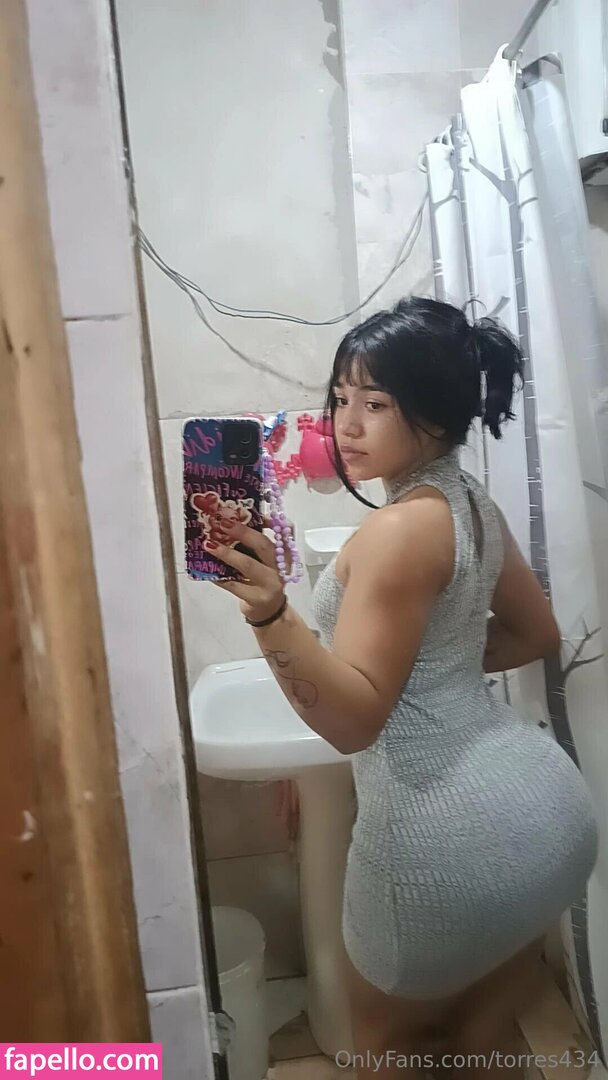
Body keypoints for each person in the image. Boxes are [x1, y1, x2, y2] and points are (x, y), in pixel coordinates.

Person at [204, 297, 599, 1079]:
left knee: (386, 1053)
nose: (345, 425)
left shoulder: (394, 531)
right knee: (485, 1046)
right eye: (340, 399)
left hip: (438, 845)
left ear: (437, 414)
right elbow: (535, 634)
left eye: (376, 404)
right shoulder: (469, 504)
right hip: (547, 821)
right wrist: (428, 670)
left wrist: (271, 612)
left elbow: (354, 724)